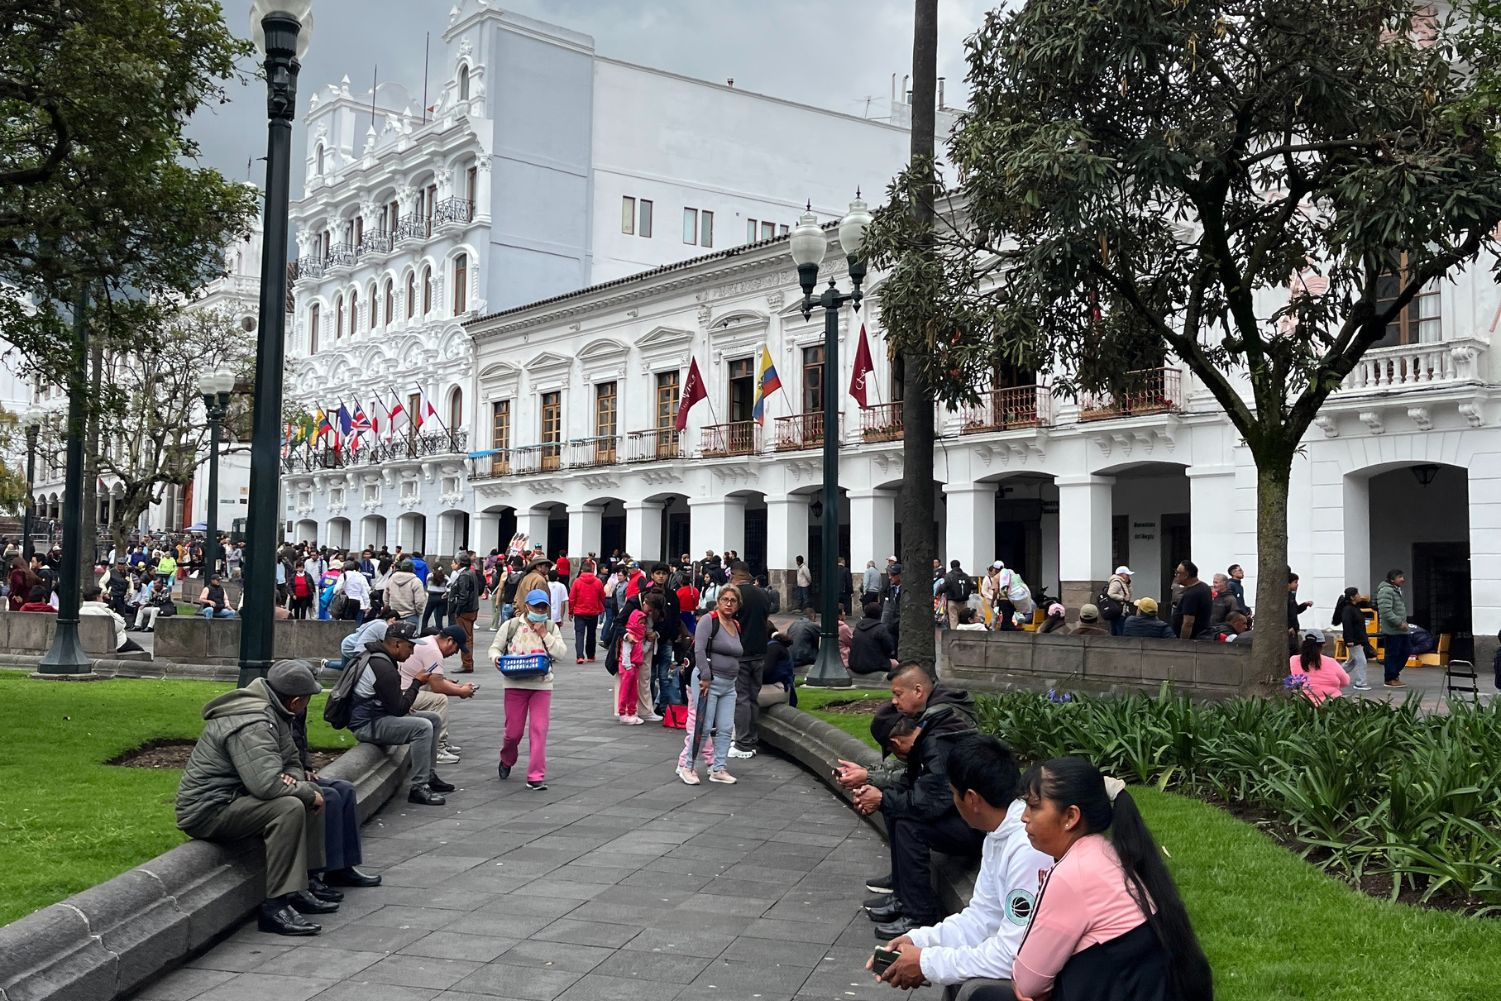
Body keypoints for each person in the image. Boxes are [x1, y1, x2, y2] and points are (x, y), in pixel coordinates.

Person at [1011, 757, 1214, 1001]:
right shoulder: (1107, 853)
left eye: (1034, 807)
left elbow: (1028, 982)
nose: (1024, 817)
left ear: (1071, 817)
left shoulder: (1073, 874)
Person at [872, 734, 1054, 1000]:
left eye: (953, 792)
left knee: (973, 988)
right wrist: (920, 941)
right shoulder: (998, 833)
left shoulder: (1027, 848)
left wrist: (927, 963)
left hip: (1056, 977)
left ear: (972, 799)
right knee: (959, 974)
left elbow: (1013, 953)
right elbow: (981, 918)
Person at [175, 660, 339, 936]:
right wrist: (297, 788)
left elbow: (291, 760)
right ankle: (276, 907)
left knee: (311, 794)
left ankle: (302, 886)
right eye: (309, 700)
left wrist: (295, 782)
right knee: (289, 806)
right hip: (210, 810)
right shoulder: (254, 722)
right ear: (297, 700)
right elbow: (266, 785)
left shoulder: (274, 711)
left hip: (238, 799)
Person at [836, 663, 983, 938]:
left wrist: (881, 797)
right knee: (896, 806)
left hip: (977, 826)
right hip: (965, 814)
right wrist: (878, 788)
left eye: (897, 694)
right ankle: (903, 895)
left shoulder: (943, 732)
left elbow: (932, 800)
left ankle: (919, 916)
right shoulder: (936, 720)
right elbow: (918, 779)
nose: (894, 702)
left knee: (908, 822)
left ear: (918, 690)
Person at [347, 621, 451, 806]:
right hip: (367, 725)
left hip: (377, 717)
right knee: (422, 727)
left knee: (433, 719)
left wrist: (402, 702)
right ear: (396, 644)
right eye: (410, 647)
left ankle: (428, 774)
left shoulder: (382, 659)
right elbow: (399, 709)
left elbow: (392, 702)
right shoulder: (382, 666)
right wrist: (417, 682)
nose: (412, 652)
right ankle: (419, 787)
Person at [490, 589, 565, 791]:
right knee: (513, 733)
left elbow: (561, 653)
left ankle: (535, 776)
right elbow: (495, 648)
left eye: (543, 607)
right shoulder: (512, 625)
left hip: (541, 684)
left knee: (539, 730)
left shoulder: (550, 627)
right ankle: (507, 758)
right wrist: (496, 659)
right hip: (515, 683)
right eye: (536, 606)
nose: (539, 610)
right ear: (527, 606)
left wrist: (544, 634)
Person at [677, 586, 744, 786]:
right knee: (703, 727)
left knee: (725, 727)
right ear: (718, 601)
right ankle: (687, 766)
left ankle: (719, 768)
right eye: (725, 599)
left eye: (733, 600)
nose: (729, 603)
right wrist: (706, 676)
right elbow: (699, 649)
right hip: (708, 682)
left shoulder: (736, 625)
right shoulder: (709, 620)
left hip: (729, 684)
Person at [401, 625, 478, 762]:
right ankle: (437, 749)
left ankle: (440, 742)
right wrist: (461, 691)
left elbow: (435, 679)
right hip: (404, 693)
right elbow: (438, 686)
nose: (455, 653)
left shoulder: (429, 641)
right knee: (440, 700)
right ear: (449, 641)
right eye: (456, 648)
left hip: (406, 689)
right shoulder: (433, 651)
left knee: (438, 695)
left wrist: (459, 687)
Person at [729, 561, 772, 760]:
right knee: (753, 697)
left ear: (734, 576)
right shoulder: (763, 594)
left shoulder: (736, 595)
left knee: (742, 698)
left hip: (742, 651)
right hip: (759, 651)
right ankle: (752, 739)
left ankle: (743, 742)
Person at [619, 592, 661, 726]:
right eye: (641, 623)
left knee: (633, 691)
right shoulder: (631, 636)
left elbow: (642, 651)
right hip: (629, 666)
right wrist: (628, 665)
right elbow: (625, 652)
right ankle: (623, 712)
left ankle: (632, 712)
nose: (643, 625)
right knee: (626, 690)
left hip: (635, 666)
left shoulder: (638, 638)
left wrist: (648, 641)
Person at [324, 609, 400, 673]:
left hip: (349, 642)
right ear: (393, 619)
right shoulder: (383, 626)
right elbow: (388, 644)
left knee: (345, 666)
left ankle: (326, 663)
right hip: (351, 646)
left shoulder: (378, 621)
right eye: (398, 623)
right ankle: (326, 664)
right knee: (352, 668)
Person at [1288, 628, 1350, 705]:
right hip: (1331, 705)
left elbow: (1290, 682)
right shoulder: (1331, 662)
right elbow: (1345, 682)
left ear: (1303, 643)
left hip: (1303, 705)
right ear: (1323, 645)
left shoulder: (1293, 660)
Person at [79, 586, 145, 654]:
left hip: (91, 643)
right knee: (141, 652)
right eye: (102, 596)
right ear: (98, 597)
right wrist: (112, 613)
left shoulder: (81, 610)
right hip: (116, 643)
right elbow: (118, 626)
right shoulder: (101, 611)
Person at [1333, 587, 1374, 692]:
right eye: (1357, 594)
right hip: (1354, 640)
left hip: (1358, 638)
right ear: (1352, 597)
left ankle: (1334, 674)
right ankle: (1360, 683)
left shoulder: (1355, 607)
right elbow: (1347, 625)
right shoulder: (1348, 609)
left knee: (1352, 662)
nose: (1360, 596)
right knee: (1361, 661)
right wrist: (1349, 639)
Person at [446, 555, 481, 673]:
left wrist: (457, 609)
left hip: (465, 610)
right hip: (471, 608)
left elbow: (463, 595)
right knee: (468, 637)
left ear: (459, 563)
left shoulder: (464, 575)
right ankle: (468, 663)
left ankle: (467, 663)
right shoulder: (470, 573)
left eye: (454, 562)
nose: (452, 564)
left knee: (465, 638)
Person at [1376, 568, 1410, 689]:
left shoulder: (1396, 590)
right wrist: (1399, 623)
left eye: (1402, 576)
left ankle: (1394, 674)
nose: (1402, 579)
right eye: (1399, 577)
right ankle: (1390, 678)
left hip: (1401, 629)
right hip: (1392, 629)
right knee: (1392, 653)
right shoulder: (1386, 591)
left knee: (1405, 651)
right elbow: (1385, 611)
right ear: (1392, 579)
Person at [568, 560, 606, 663]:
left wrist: (570, 611)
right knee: (591, 634)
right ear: (592, 570)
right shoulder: (598, 582)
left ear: (581, 570)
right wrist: (602, 607)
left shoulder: (577, 582)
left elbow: (572, 598)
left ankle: (580, 656)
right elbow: (602, 596)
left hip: (579, 612)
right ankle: (590, 655)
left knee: (579, 634)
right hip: (593, 612)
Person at [850, 601, 899, 676]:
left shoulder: (857, 627)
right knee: (896, 664)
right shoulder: (881, 629)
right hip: (874, 664)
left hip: (855, 663)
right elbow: (889, 648)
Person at [1169, 561, 1210, 639]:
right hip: (1202, 635)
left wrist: (1183, 642)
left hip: (1193, 639)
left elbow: (1188, 622)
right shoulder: (1205, 586)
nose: (1176, 575)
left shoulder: (1192, 594)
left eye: (1178, 573)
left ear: (1186, 575)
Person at [383, 559, 425, 625]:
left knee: (392, 635)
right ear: (413, 568)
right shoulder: (416, 581)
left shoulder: (391, 579)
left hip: (394, 614)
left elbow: (385, 596)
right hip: (410, 614)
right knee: (410, 634)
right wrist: (419, 612)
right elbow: (419, 601)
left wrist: (388, 606)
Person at [937, 560, 975, 630]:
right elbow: (973, 585)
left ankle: (954, 636)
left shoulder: (949, 575)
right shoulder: (966, 576)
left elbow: (943, 587)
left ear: (951, 566)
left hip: (952, 601)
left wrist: (938, 592)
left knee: (953, 619)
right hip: (964, 601)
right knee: (963, 619)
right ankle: (963, 634)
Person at [1102, 567, 1134, 636]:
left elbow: (1129, 594)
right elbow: (1110, 594)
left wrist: (1128, 584)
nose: (1129, 576)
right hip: (1117, 610)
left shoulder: (1123, 582)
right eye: (1127, 575)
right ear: (1121, 574)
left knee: (1119, 629)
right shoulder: (1116, 582)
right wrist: (1122, 598)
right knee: (1119, 630)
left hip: (1121, 610)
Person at [881, 563, 904, 650]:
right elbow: (887, 609)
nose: (890, 577)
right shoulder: (890, 589)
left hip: (900, 625)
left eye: (893, 575)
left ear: (900, 575)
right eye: (889, 574)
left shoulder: (905, 590)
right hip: (891, 627)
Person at [421, 562, 449, 632]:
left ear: (433, 569)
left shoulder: (429, 576)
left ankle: (423, 631)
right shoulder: (446, 577)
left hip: (432, 597)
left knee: (426, 616)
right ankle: (439, 633)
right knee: (439, 618)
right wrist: (445, 595)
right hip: (442, 598)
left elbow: (427, 584)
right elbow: (449, 589)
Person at [1286, 572, 1313, 639]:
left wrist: (1305, 605)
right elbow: (1285, 613)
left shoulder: (1291, 596)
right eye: (1295, 582)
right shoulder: (1286, 597)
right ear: (1288, 584)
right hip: (1290, 629)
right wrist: (1289, 626)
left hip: (1294, 628)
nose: (1297, 585)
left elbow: (1295, 610)